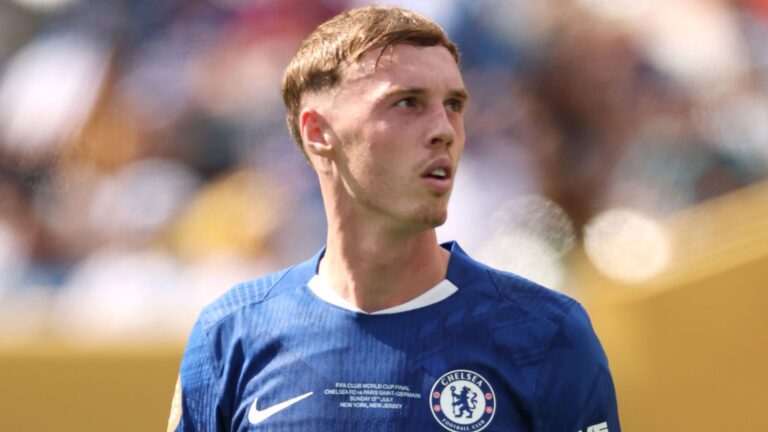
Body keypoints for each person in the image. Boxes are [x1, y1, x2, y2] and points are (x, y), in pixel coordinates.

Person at [168, 6, 621, 432]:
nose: (444, 129)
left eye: (454, 105)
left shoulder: (545, 332)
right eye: (407, 103)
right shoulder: (231, 333)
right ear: (318, 132)